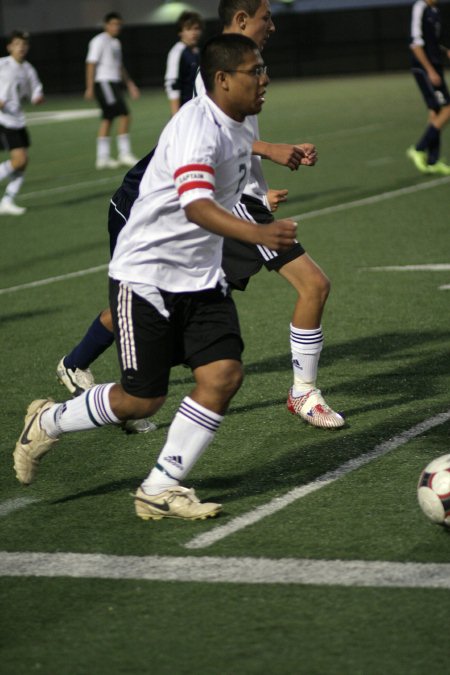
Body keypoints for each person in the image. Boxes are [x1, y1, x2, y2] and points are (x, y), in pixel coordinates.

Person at [13, 34, 298, 521]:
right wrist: (259, 232)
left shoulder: (235, 123)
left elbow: (237, 157)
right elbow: (196, 205)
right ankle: (50, 419)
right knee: (141, 400)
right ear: (222, 79)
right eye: (256, 70)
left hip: (200, 278)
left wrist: (269, 160)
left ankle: (161, 486)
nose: (265, 77)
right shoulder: (196, 128)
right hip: (146, 276)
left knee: (223, 375)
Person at [56, 0, 344, 431]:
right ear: (243, 20)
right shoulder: (216, 75)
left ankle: (91, 373)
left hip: (218, 205)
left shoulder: (246, 70)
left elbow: (227, 153)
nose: (273, 25)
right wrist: (271, 156)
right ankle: (301, 391)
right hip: (152, 205)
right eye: (267, 17)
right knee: (148, 298)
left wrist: (259, 191)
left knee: (157, 302)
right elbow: (208, 141)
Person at [85, 12, 140, 170]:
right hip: (104, 82)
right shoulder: (99, 41)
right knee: (124, 115)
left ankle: (102, 158)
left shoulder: (115, 43)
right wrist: (89, 87)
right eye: (114, 24)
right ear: (106, 25)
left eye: (119, 24)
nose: (117, 27)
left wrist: (130, 85)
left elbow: (119, 66)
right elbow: (91, 63)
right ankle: (124, 153)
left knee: (108, 118)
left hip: (113, 83)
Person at [0, 30, 44, 216]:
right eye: (17, 44)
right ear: (10, 46)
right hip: (2, 119)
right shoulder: (2, 64)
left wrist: (37, 97)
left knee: (23, 163)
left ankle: (8, 200)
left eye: (24, 45)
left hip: (17, 119)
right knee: (19, 160)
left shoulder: (28, 69)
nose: (21, 48)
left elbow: (35, 88)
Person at [406, 0, 450, 175]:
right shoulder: (420, 7)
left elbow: (433, 42)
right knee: (447, 108)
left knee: (435, 113)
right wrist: (430, 70)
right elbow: (415, 43)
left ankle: (432, 160)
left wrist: (445, 51)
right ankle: (418, 148)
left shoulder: (435, 10)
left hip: (434, 65)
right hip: (425, 68)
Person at [164, 11, 204, 117]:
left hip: (199, 109)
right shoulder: (177, 52)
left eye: (197, 28)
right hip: (185, 112)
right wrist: (176, 117)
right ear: (180, 32)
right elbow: (172, 84)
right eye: (189, 29)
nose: (194, 32)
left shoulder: (197, 52)